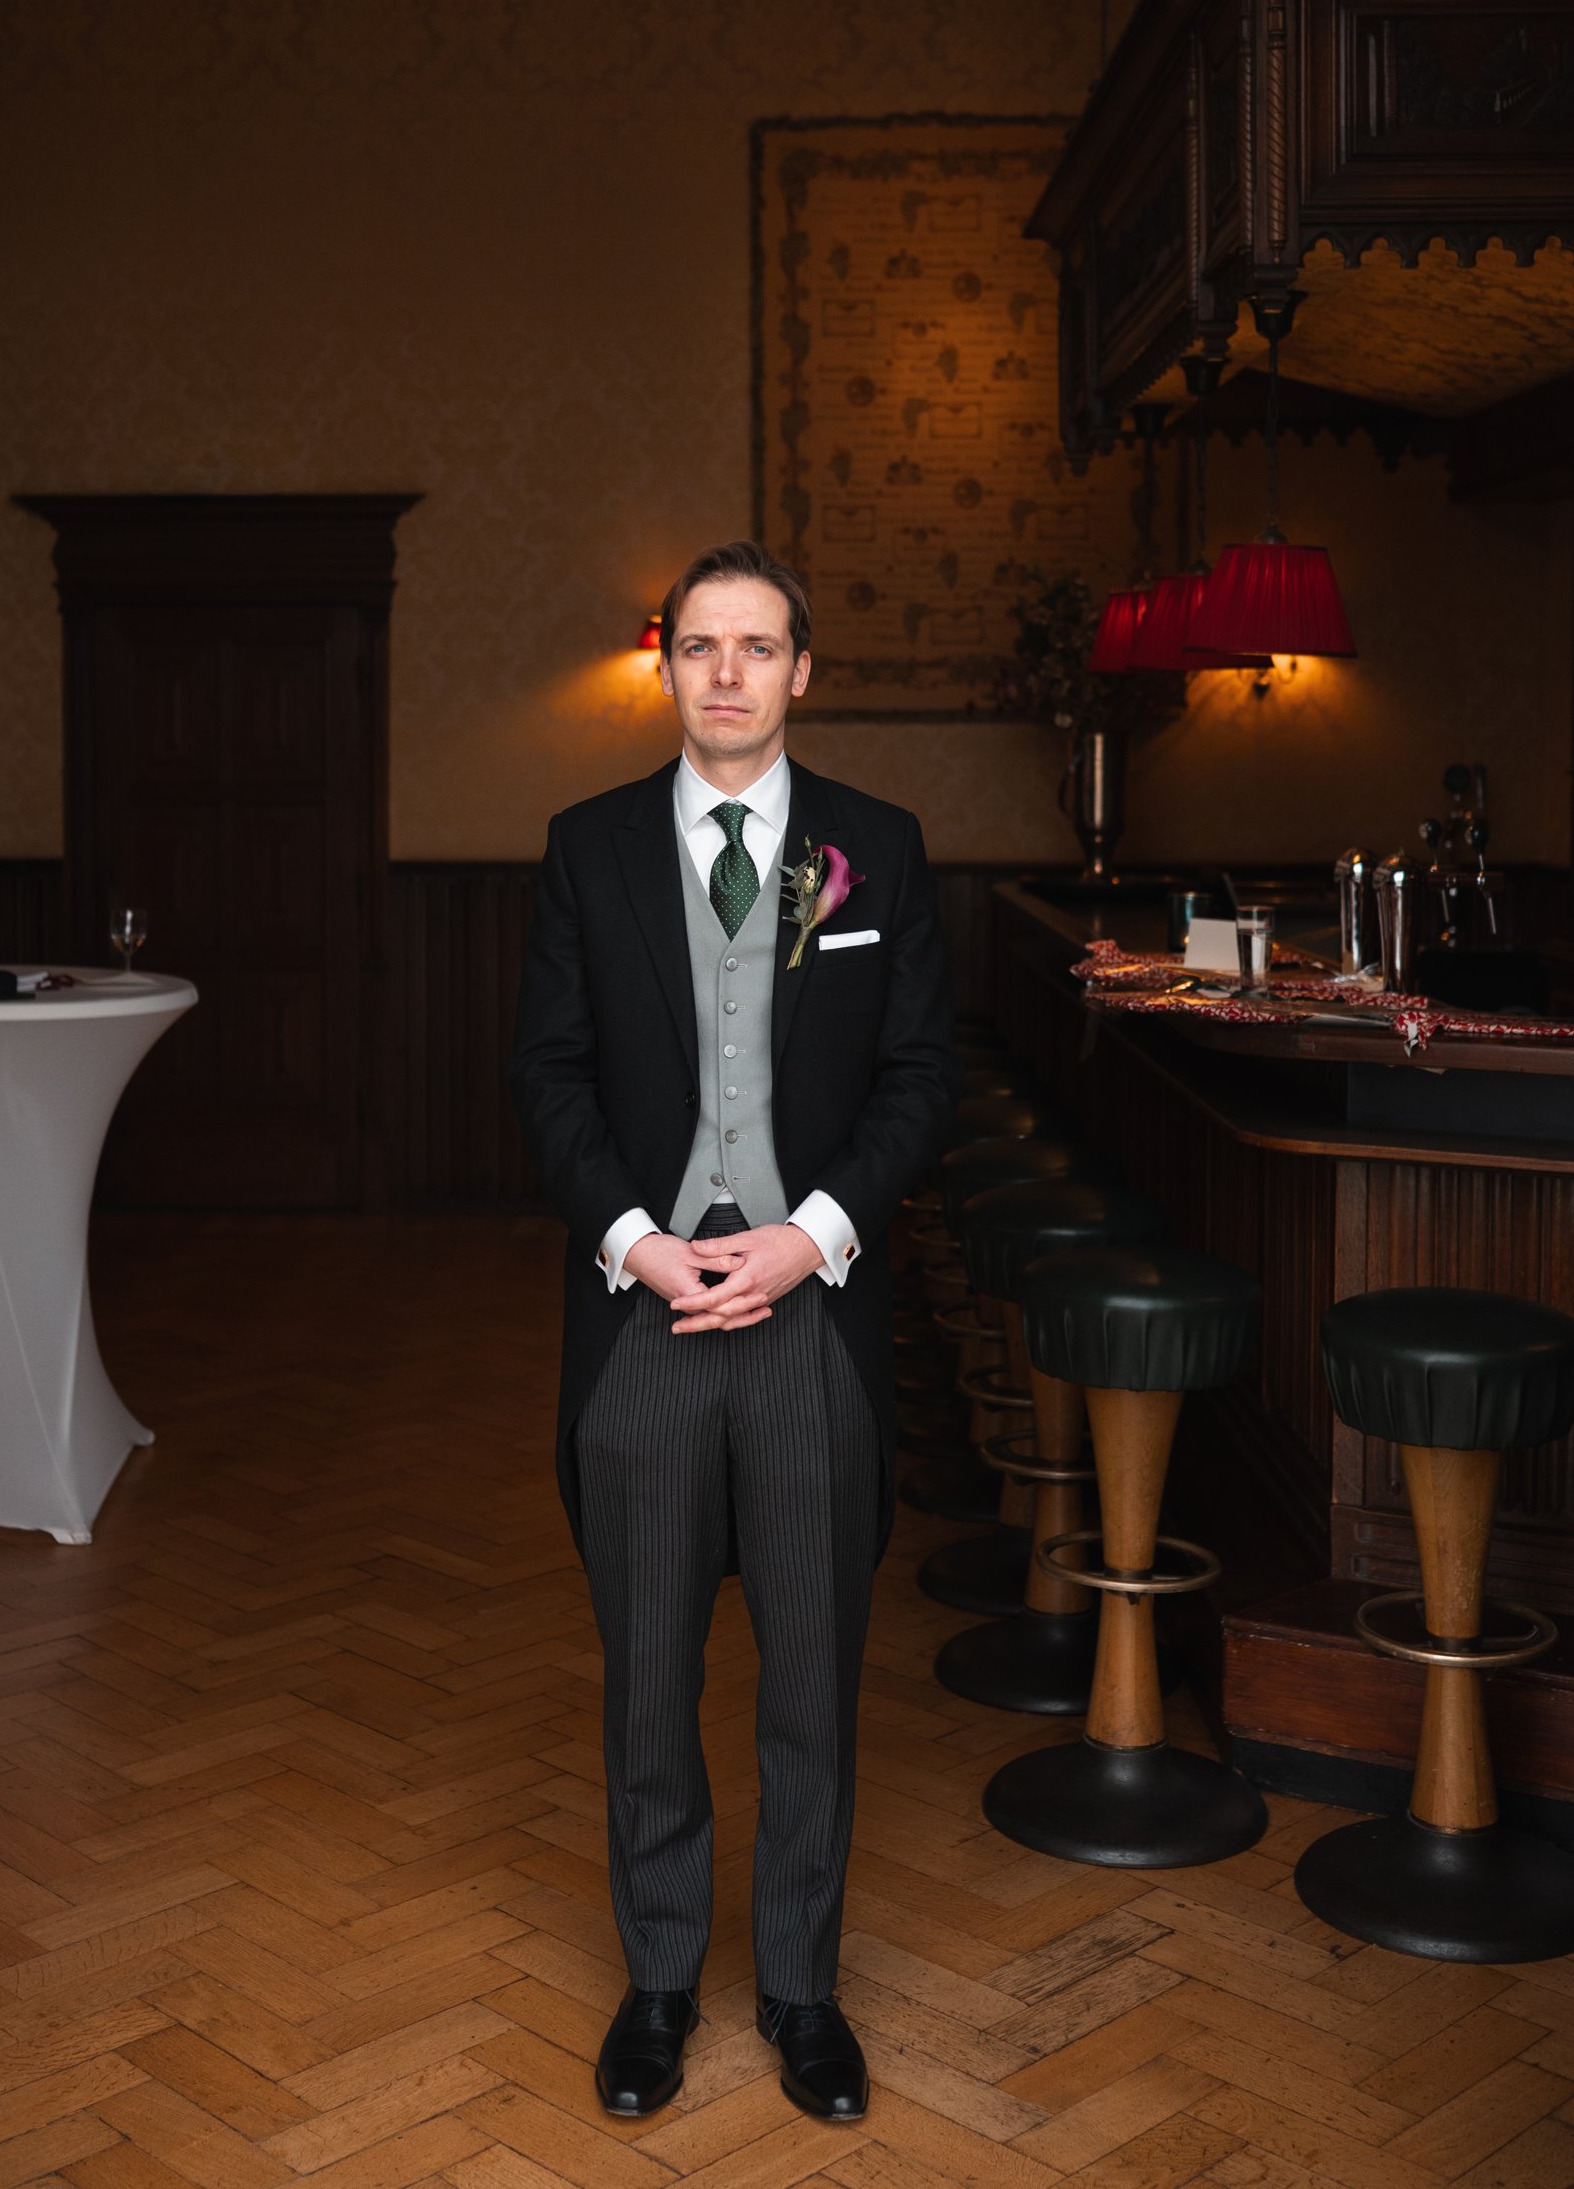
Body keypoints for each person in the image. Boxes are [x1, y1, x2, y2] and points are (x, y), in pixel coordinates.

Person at [510, 539, 958, 2124]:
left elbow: (920, 1081)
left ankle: (800, 1991)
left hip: (810, 1319)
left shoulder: (878, 852)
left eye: (756, 648)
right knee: (646, 1673)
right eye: (699, 647)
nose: (726, 674)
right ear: (669, 666)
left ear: (800, 671)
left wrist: (811, 1234)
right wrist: (637, 1245)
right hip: (641, 1322)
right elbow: (550, 1077)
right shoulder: (588, 847)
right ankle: (654, 1983)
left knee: (811, 1679)